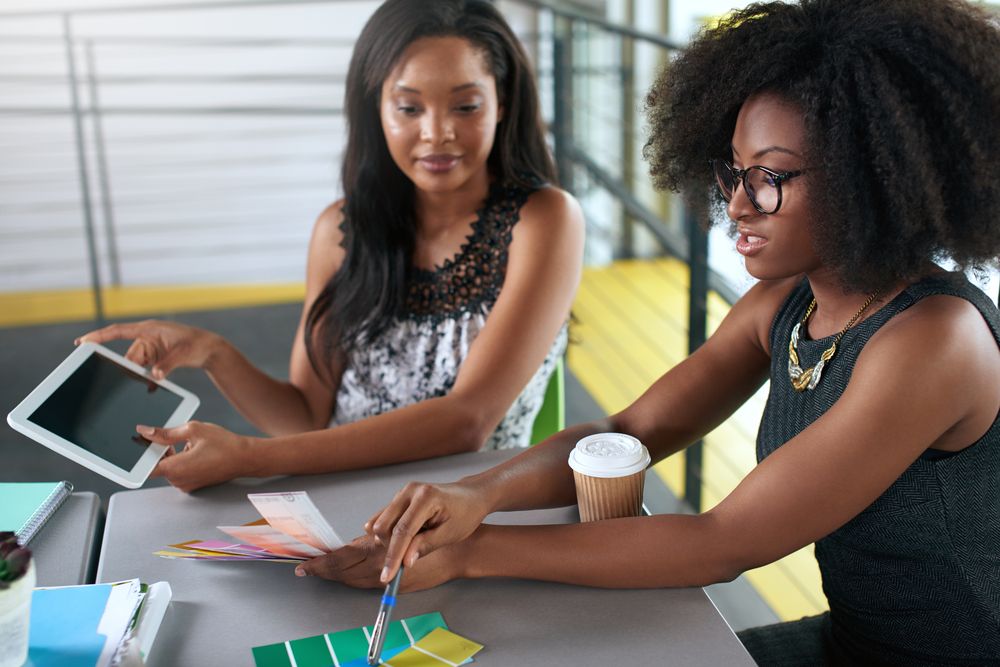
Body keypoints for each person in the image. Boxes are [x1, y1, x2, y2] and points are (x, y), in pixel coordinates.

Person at [296, 1, 1000, 665]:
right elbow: (627, 430)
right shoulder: (786, 302)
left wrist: (471, 550)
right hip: (854, 639)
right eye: (734, 170)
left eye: (772, 177)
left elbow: (722, 542)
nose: (735, 202)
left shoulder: (935, 339)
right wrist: (474, 496)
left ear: (871, 176)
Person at [77, 0, 584, 493]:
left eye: (466, 106)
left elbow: (466, 422)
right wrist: (212, 351)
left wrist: (248, 459)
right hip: (339, 509)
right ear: (375, 108)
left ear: (503, 104)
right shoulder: (339, 230)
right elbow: (304, 419)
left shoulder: (545, 221)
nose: (437, 133)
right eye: (408, 107)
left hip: (469, 518)